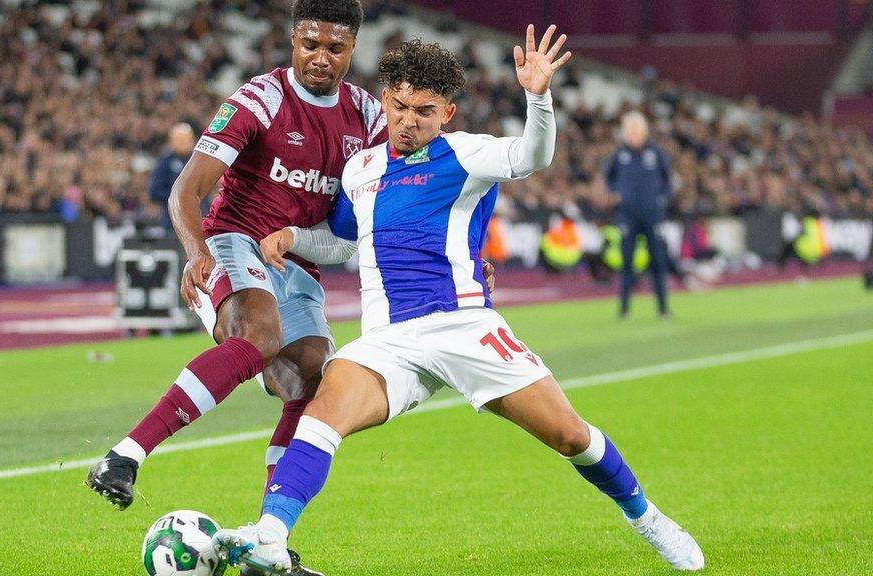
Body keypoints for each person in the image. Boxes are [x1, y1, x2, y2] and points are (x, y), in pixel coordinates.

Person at [213, 31, 703, 574]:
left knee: (570, 435)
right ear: (386, 101)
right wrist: (294, 237)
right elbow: (346, 239)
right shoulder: (362, 170)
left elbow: (532, 156)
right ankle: (271, 536)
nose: (408, 121)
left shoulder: (468, 154)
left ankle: (650, 519)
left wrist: (538, 98)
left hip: (463, 326)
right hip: (388, 340)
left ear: (446, 111)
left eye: (424, 111)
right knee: (322, 410)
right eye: (398, 107)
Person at [87, 3, 396, 573]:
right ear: (292, 41)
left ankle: (264, 543)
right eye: (309, 44)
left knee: (311, 375)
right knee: (259, 335)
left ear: (352, 50)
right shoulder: (260, 99)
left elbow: (414, 186)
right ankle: (125, 456)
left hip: (299, 259)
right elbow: (185, 191)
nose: (320, 58)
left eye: (335, 48)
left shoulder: (368, 115)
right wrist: (196, 252)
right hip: (236, 240)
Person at [605, 111, 673, 318]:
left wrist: (661, 198)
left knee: (658, 262)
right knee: (627, 264)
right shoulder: (619, 155)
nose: (634, 135)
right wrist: (616, 193)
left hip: (652, 215)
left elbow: (667, 179)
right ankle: (624, 309)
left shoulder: (655, 153)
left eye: (637, 131)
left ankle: (663, 308)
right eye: (630, 131)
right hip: (628, 216)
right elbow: (609, 178)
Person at [149, 123, 197, 230]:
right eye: (179, 140)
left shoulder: (198, 160)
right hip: (172, 220)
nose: (183, 143)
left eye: (186, 139)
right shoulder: (165, 161)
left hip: (199, 217)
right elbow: (155, 191)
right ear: (171, 141)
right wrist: (179, 198)